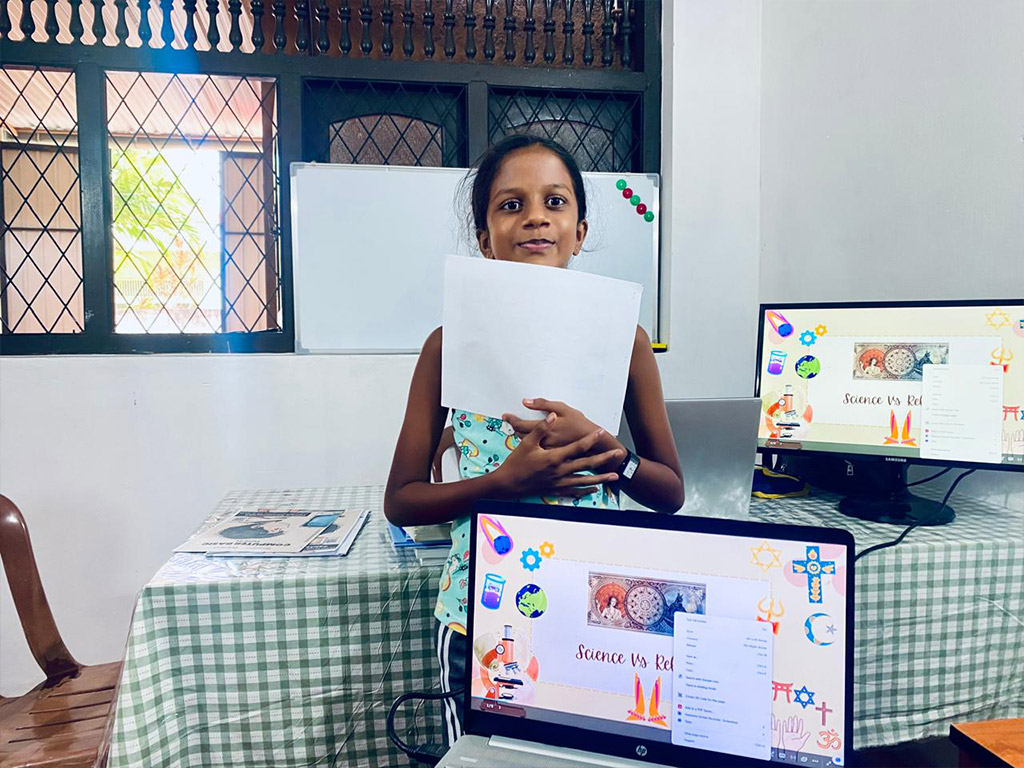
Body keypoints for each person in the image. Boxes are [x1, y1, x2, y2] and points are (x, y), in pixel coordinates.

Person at [384, 134, 685, 750]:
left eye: (555, 201)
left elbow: (670, 493)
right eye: (510, 204)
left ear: (579, 230)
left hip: (596, 613)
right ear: (483, 237)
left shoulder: (624, 341)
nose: (536, 218)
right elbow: (401, 500)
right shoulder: (448, 345)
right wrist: (503, 484)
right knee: (482, 760)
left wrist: (613, 452)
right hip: (481, 616)